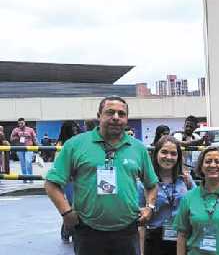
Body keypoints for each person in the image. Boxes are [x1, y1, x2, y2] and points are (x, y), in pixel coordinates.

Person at [45, 95, 159, 255]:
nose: (116, 118)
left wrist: (150, 207)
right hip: (87, 232)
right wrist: (66, 212)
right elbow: (51, 184)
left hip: (127, 231)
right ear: (99, 116)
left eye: (121, 114)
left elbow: (152, 184)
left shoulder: (138, 148)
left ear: (127, 119)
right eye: (110, 112)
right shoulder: (75, 145)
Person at [140, 135, 194, 255]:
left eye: (173, 153)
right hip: (154, 241)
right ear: (156, 154)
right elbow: (140, 224)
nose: (168, 157)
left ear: (178, 157)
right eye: (164, 152)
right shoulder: (145, 182)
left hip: (181, 239)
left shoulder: (186, 180)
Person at [55, 120, 83, 243]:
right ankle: (67, 231)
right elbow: (58, 163)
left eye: (76, 127)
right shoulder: (61, 144)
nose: (76, 129)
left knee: (78, 206)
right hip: (70, 180)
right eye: (73, 128)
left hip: (81, 178)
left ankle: (70, 231)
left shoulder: (80, 142)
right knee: (72, 207)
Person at [10, 117, 37, 182]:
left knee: (28, 162)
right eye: (19, 123)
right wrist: (17, 137)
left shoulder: (30, 129)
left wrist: (37, 147)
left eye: (22, 123)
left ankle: (30, 177)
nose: (21, 124)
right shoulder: (16, 130)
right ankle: (24, 178)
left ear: (24, 122)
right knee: (22, 163)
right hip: (20, 148)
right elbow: (11, 139)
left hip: (29, 147)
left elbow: (34, 139)